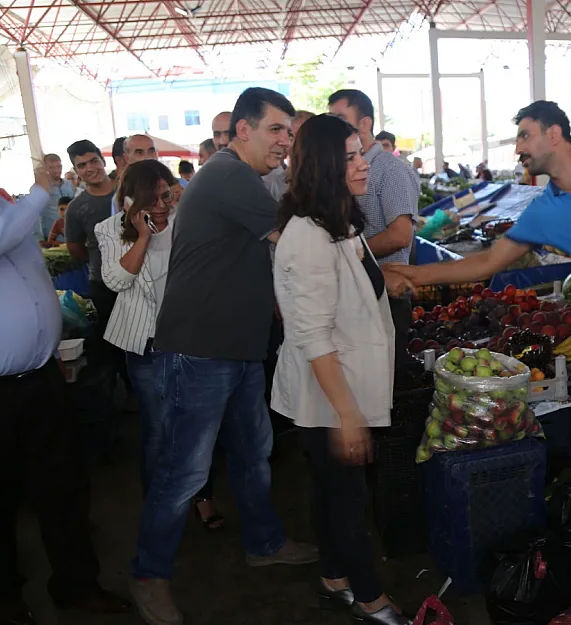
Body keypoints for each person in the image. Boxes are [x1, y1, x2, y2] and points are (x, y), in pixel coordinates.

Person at [386, 100, 571, 509]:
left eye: (525, 135)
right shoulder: (545, 211)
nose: (518, 148)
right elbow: (487, 262)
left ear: (554, 134)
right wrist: (410, 274)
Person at [132, 87, 317, 625]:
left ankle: (264, 542)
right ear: (243, 130)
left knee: (253, 454)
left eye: (290, 131)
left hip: (237, 347)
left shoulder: (243, 179)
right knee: (184, 471)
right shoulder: (229, 174)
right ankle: (148, 574)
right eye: (276, 129)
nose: (285, 140)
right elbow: (295, 240)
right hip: (200, 350)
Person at [0, 110, 129, 625]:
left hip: (37, 375)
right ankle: (2, 602)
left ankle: (76, 584)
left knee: (63, 486)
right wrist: (41, 192)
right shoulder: (10, 208)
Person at [273, 113, 414, 625]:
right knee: (348, 503)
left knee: (332, 493)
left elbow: (351, 287)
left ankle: (334, 576)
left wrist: (386, 284)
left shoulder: (340, 224)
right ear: (327, 166)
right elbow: (311, 334)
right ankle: (371, 597)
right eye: (352, 156)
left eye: (362, 153)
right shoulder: (307, 237)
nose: (364, 164)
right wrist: (348, 414)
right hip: (330, 395)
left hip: (343, 388)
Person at [95, 160, 224, 532]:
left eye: (165, 195)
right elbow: (116, 280)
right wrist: (143, 237)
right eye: (151, 200)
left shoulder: (187, 220)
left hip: (190, 337)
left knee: (198, 423)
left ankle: (202, 496)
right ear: (132, 201)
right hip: (145, 344)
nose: (161, 206)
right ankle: (159, 506)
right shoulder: (108, 229)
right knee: (158, 427)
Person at [327, 89, 420, 366]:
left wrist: (348, 255)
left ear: (365, 124)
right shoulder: (342, 170)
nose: (335, 126)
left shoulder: (390, 170)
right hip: (359, 293)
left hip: (386, 293)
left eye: (340, 118)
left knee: (389, 379)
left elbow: (401, 236)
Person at [64, 139, 124, 379]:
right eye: (82, 165)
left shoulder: (127, 190)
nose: (90, 168)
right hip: (103, 282)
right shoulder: (76, 208)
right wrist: (98, 260)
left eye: (93, 161)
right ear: (76, 171)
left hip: (143, 276)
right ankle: (127, 391)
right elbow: (75, 247)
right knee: (115, 340)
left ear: (102, 160)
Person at [37, 153, 77, 237]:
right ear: (46, 168)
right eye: (51, 167)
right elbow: (36, 214)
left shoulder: (69, 184)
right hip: (51, 236)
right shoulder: (41, 187)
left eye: (58, 166)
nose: (56, 170)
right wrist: (39, 238)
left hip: (71, 233)